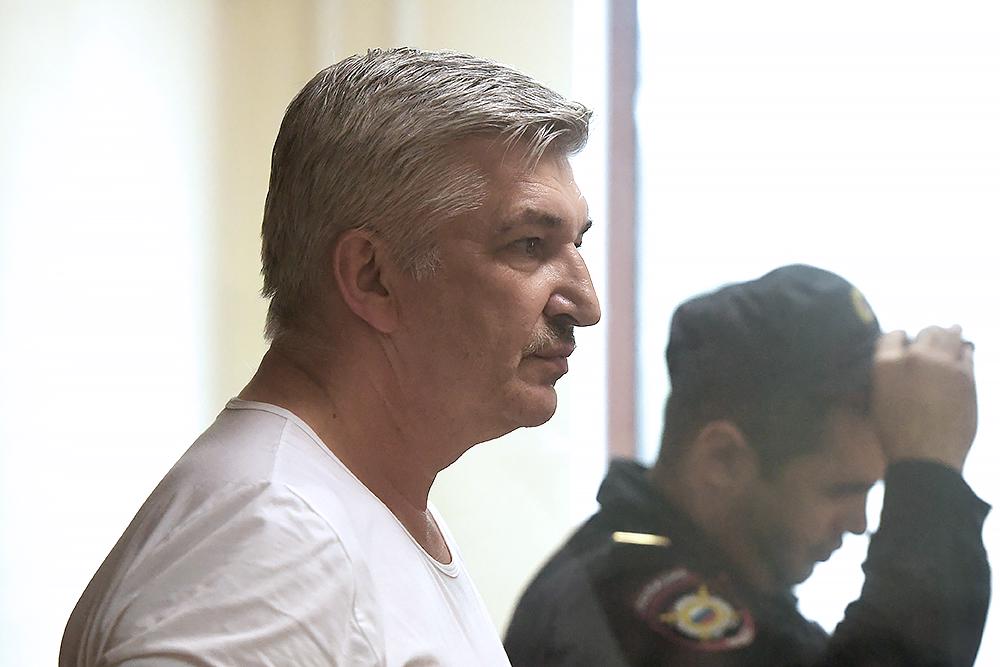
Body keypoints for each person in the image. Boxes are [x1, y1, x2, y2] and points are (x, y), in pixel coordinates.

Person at [60, 47, 600, 666]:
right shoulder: (278, 535)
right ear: (372, 277)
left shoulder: (342, 507)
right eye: (529, 245)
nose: (585, 304)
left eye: (577, 244)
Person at [505, 264, 990, 666]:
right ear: (723, 459)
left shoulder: (697, 577)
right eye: (840, 491)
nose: (859, 523)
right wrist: (930, 485)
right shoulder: (633, 610)